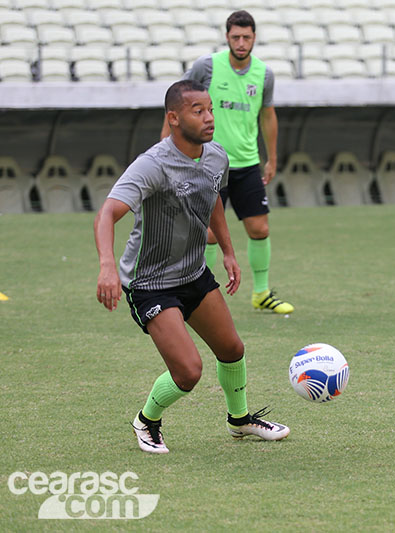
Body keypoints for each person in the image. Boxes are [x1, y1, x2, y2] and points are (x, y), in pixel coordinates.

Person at [97, 80, 290, 454]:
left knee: (232, 348)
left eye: (211, 109)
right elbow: (107, 213)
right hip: (150, 282)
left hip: (193, 272)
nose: (209, 118)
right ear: (173, 118)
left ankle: (240, 421)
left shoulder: (217, 156)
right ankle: (146, 421)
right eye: (197, 111)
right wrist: (107, 266)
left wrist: (230, 251)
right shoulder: (151, 166)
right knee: (188, 371)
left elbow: (213, 197)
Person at [161, 10, 294, 315]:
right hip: (208, 163)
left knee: (259, 228)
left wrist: (271, 158)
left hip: (247, 164)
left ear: (254, 38)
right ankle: (196, 293)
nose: (241, 42)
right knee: (206, 233)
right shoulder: (207, 66)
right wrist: (165, 147)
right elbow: (177, 103)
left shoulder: (264, 74)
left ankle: (261, 293)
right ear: (227, 37)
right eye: (236, 36)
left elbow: (268, 116)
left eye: (246, 37)